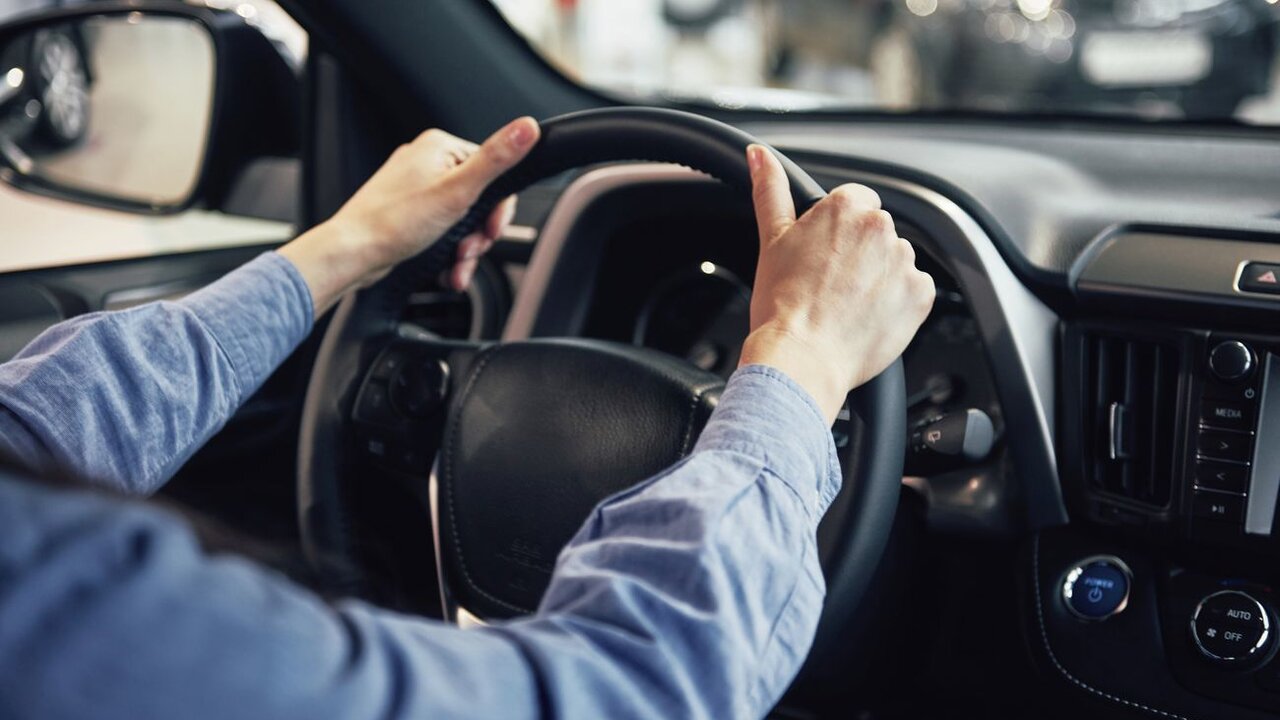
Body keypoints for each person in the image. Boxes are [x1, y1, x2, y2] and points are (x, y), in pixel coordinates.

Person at [0, 116, 934, 719]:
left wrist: (348, 249)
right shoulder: (63, 621)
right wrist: (800, 361)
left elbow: (36, 430)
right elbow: (621, 690)